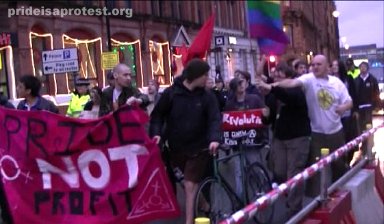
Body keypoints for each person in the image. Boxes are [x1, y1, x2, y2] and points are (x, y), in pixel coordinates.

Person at [256, 55, 353, 197]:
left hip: (335, 131)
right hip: (316, 133)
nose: (315, 67)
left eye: (319, 64)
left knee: (338, 165)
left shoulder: (336, 83)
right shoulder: (308, 79)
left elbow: (349, 101)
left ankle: (340, 193)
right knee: (315, 170)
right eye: (313, 64)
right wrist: (271, 86)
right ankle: (316, 202)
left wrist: (343, 108)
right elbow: (291, 83)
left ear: (327, 67)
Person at [149, 58, 221, 224]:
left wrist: (214, 139)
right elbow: (157, 115)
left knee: (189, 184)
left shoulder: (207, 96)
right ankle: (204, 204)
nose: (207, 78)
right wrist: (157, 133)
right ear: (195, 76)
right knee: (185, 182)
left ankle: (189, 221)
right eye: (204, 75)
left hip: (200, 147)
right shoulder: (172, 93)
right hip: (176, 147)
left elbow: (214, 119)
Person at [257, 62, 311, 219]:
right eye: (276, 75)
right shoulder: (274, 94)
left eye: (280, 76)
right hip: (280, 137)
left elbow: (289, 97)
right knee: (279, 171)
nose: (277, 78)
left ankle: (294, 210)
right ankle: (290, 194)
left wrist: (272, 88)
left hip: (297, 137)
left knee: (294, 173)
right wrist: (266, 116)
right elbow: (270, 117)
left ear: (288, 77)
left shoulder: (297, 89)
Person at [331, 59, 359, 162]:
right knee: (337, 139)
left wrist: (355, 110)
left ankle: (347, 160)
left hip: (346, 113)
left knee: (348, 137)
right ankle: (339, 160)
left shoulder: (348, 78)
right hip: (333, 114)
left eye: (336, 65)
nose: (334, 67)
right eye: (332, 65)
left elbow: (354, 94)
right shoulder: (329, 79)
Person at [354, 61, 381, 154]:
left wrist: (377, 105)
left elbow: (376, 92)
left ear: (367, 68)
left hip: (369, 107)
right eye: (361, 67)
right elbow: (354, 95)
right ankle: (363, 144)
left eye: (364, 67)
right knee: (360, 127)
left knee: (368, 126)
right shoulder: (356, 80)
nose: (362, 68)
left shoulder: (372, 80)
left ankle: (369, 145)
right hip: (359, 107)